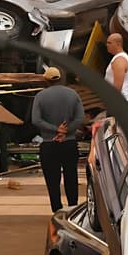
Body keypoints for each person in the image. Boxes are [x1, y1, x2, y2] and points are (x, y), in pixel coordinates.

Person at [31, 67, 85, 213]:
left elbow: (36, 120)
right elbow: (80, 118)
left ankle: (57, 209)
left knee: (52, 179)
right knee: (71, 175)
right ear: (60, 78)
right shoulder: (73, 94)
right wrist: (66, 131)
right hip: (69, 143)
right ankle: (73, 207)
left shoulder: (40, 96)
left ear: (46, 80)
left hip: (49, 143)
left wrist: (56, 130)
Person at [105, 33, 128, 101]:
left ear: (118, 44)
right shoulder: (120, 58)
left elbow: (117, 89)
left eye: (109, 43)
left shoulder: (119, 60)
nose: (107, 45)